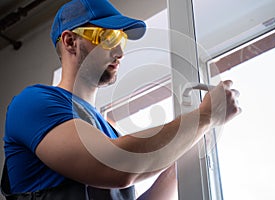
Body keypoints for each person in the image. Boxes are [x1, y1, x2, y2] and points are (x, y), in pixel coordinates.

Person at [1, 0, 241, 199]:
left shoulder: (110, 131)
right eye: (108, 38)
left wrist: (193, 142)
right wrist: (204, 115)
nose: (120, 52)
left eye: (121, 40)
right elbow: (116, 166)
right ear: (70, 42)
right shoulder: (33, 103)